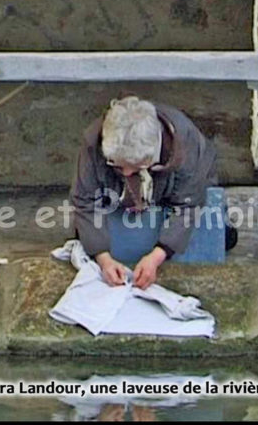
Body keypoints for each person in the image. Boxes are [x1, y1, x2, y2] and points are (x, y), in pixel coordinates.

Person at [70, 95, 236, 289]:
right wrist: (103, 259)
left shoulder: (186, 143)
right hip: (120, 199)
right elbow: (84, 201)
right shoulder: (94, 141)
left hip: (179, 194)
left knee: (204, 222)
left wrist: (157, 256)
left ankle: (223, 227)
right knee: (92, 237)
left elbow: (187, 206)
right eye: (117, 164)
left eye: (134, 166)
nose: (126, 173)